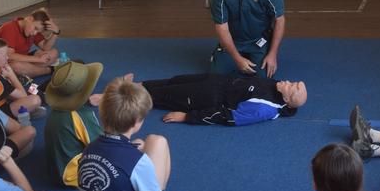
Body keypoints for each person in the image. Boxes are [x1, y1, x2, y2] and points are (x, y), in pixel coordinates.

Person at [78, 77, 188, 191]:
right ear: (137, 121)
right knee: (158, 141)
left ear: (103, 113)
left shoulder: (89, 149)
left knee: (145, 143)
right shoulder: (138, 162)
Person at [90, 73, 307, 126]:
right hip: (218, 81)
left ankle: (111, 99)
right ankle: (138, 86)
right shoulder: (278, 86)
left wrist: (187, 117)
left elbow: (226, 117)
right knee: (174, 81)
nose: (288, 81)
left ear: (287, 100)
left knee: (164, 96)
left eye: (292, 86)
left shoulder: (264, 109)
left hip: (209, 97)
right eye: (293, 82)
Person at [210, 0, 285, 78]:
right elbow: (221, 28)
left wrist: (272, 54)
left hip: (258, 40)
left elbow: (280, 20)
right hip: (233, 41)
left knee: (262, 77)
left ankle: (259, 53)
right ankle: (223, 54)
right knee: (216, 76)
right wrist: (238, 59)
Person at [44, 61, 103, 187]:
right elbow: (103, 147)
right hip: (70, 176)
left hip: (55, 168)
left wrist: (86, 102)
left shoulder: (58, 108)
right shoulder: (81, 116)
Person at [0, 8, 60, 78]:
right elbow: (9, 56)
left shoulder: (31, 28)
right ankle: (49, 70)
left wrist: (55, 33)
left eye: (38, 32)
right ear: (30, 19)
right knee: (16, 66)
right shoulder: (9, 28)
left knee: (54, 52)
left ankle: (30, 71)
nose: (34, 33)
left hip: (24, 60)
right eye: (35, 28)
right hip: (6, 63)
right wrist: (39, 59)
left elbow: (45, 47)